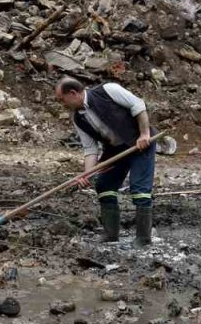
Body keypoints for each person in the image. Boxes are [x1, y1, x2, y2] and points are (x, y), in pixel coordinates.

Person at [55, 77, 155, 246]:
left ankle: (143, 239)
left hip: (139, 143)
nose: (61, 104)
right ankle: (110, 235)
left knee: (140, 189)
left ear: (72, 93)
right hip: (115, 150)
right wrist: (87, 174)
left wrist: (144, 134)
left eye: (61, 99)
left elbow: (138, 105)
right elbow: (90, 149)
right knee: (104, 186)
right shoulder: (78, 118)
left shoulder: (108, 90)